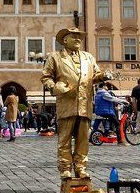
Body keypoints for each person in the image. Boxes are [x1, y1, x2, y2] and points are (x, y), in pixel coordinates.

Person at [42, 28, 110, 180]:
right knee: (64, 139)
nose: (78, 39)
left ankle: (80, 167)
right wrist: (53, 86)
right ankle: (65, 168)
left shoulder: (88, 57)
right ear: (65, 40)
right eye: (74, 37)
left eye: (79, 37)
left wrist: (104, 76)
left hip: (84, 105)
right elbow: (46, 77)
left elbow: (95, 76)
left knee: (83, 139)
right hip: (67, 103)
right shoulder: (56, 57)